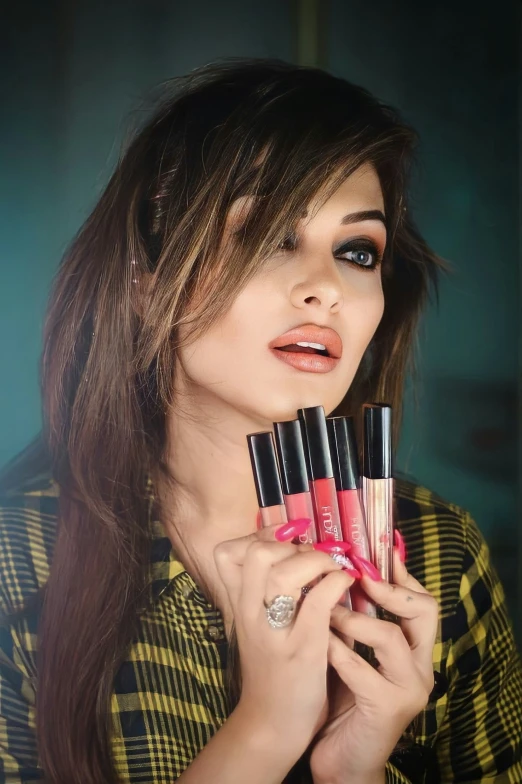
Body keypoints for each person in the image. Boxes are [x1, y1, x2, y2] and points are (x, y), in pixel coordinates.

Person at [0, 59, 520, 784]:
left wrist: (352, 775)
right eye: (268, 234)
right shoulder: (16, 564)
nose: (325, 290)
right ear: (144, 280)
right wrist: (267, 729)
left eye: (356, 251)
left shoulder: (438, 558)